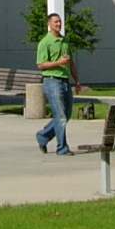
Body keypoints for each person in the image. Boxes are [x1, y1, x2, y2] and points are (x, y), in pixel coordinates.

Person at [34, 12, 82, 156]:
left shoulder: (65, 41)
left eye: (60, 22)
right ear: (49, 24)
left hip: (65, 81)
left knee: (65, 115)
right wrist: (58, 63)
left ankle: (43, 136)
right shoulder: (45, 42)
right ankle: (62, 148)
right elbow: (41, 65)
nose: (59, 24)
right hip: (52, 81)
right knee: (60, 116)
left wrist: (77, 80)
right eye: (55, 22)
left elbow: (71, 62)